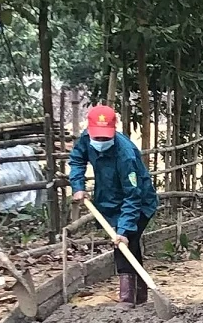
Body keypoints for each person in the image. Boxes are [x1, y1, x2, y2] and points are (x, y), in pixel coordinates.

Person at [68, 105, 158, 308]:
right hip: (108, 200)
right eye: (97, 138)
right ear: (90, 130)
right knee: (130, 246)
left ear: (113, 130)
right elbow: (76, 159)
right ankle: (140, 295)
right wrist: (78, 186)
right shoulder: (86, 139)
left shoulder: (125, 154)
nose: (100, 142)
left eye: (104, 138)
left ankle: (127, 299)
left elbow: (132, 196)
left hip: (139, 202)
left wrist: (124, 229)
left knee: (124, 242)